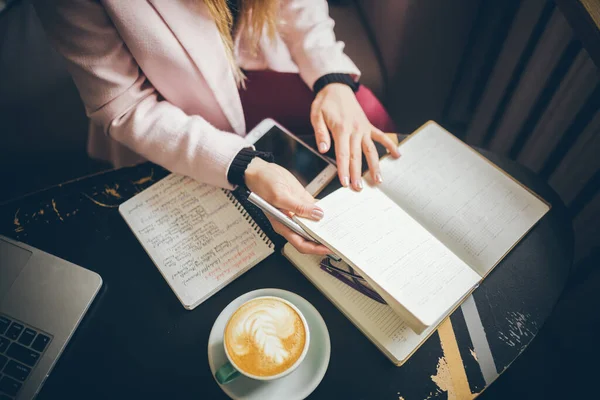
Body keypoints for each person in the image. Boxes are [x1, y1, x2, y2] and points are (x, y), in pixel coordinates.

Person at [32, 0, 400, 255]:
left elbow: (302, 9)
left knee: (369, 115)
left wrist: (332, 79)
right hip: (166, 109)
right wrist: (244, 166)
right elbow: (126, 106)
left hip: (255, 51)